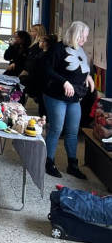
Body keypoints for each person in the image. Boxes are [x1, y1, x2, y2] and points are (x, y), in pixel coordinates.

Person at [43, 21, 94, 179]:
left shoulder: (79, 49)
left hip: (74, 97)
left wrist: (88, 76)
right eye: (82, 37)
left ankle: (73, 165)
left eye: (86, 37)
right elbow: (47, 69)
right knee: (56, 129)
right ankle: (48, 162)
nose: (85, 40)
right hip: (56, 95)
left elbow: (79, 67)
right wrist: (64, 82)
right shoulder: (58, 48)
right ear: (75, 35)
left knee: (72, 131)